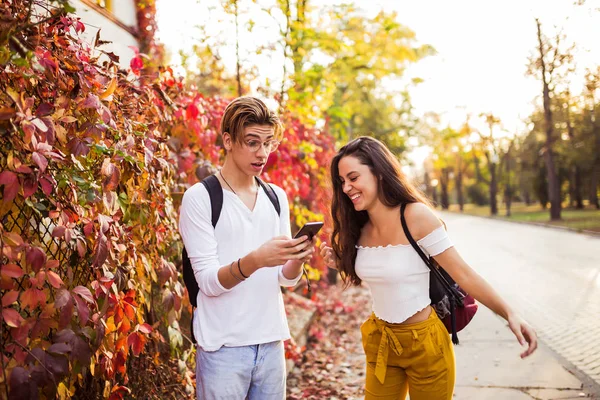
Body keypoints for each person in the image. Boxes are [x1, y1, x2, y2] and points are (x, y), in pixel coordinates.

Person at [319, 136, 537, 400]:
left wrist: (509, 313)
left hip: (426, 344)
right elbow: (382, 275)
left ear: (377, 172)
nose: (346, 188)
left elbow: (464, 273)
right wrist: (341, 262)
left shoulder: (416, 216)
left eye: (353, 177)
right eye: (342, 181)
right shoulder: (358, 229)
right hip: (382, 340)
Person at [179, 96, 315, 400]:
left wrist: (297, 259)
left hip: (271, 342)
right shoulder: (201, 198)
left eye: (268, 143)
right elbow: (209, 283)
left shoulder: (276, 196)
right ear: (228, 140)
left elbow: (285, 279)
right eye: (252, 142)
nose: (263, 153)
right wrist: (255, 260)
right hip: (223, 349)